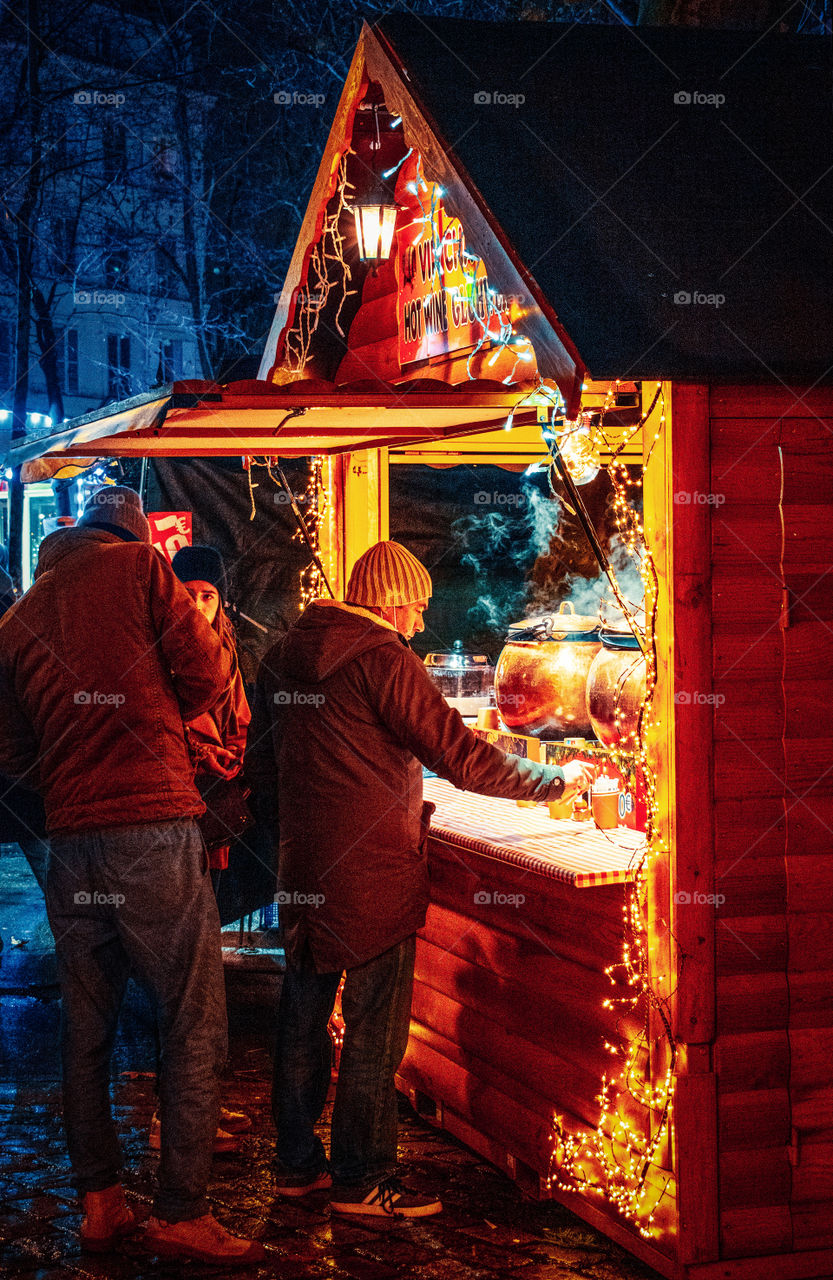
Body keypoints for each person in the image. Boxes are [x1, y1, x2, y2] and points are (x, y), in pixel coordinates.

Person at [246, 539, 595, 1219]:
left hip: (303, 865)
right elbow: (462, 757)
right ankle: (362, 1180)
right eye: (417, 606)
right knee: (374, 1029)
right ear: (391, 603)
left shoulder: (284, 653)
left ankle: (296, 1166)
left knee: (302, 1015)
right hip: (372, 871)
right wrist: (553, 781)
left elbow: (264, 764)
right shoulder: (383, 659)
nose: (421, 620)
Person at [0, 486, 264, 1266]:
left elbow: (10, 752)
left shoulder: (16, 619)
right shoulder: (140, 569)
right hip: (153, 826)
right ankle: (181, 1211)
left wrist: (70, 777)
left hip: (71, 840)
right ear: (132, 535)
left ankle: (100, 1207)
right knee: (191, 1017)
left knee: (87, 1029)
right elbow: (206, 677)